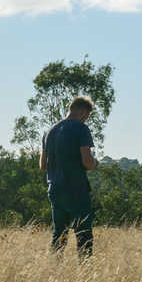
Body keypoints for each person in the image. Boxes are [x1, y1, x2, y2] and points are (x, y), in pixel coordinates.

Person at [42, 96, 98, 256]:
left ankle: (54, 268)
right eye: (87, 116)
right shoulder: (80, 128)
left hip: (54, 190)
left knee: (59, 235)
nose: (86, 120)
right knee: (84, 237)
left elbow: (43, 165)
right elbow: (87, 161)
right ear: (83, 111)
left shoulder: (49, 131)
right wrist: (96, 163)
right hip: (76, 190)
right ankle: (86, 274)